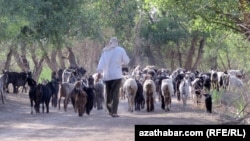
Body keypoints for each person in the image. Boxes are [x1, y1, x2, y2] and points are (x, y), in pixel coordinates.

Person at [96, 37, 130, 117]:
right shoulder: (121, 50)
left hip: (107, 76)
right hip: (117, 76)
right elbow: (126, 61)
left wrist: (99, 71)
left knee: (108, 94)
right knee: (115, 94)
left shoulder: (105, 51)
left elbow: (101, 62)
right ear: (117, 42)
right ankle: (114, 112)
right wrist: (121, 62)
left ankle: (109, 109)